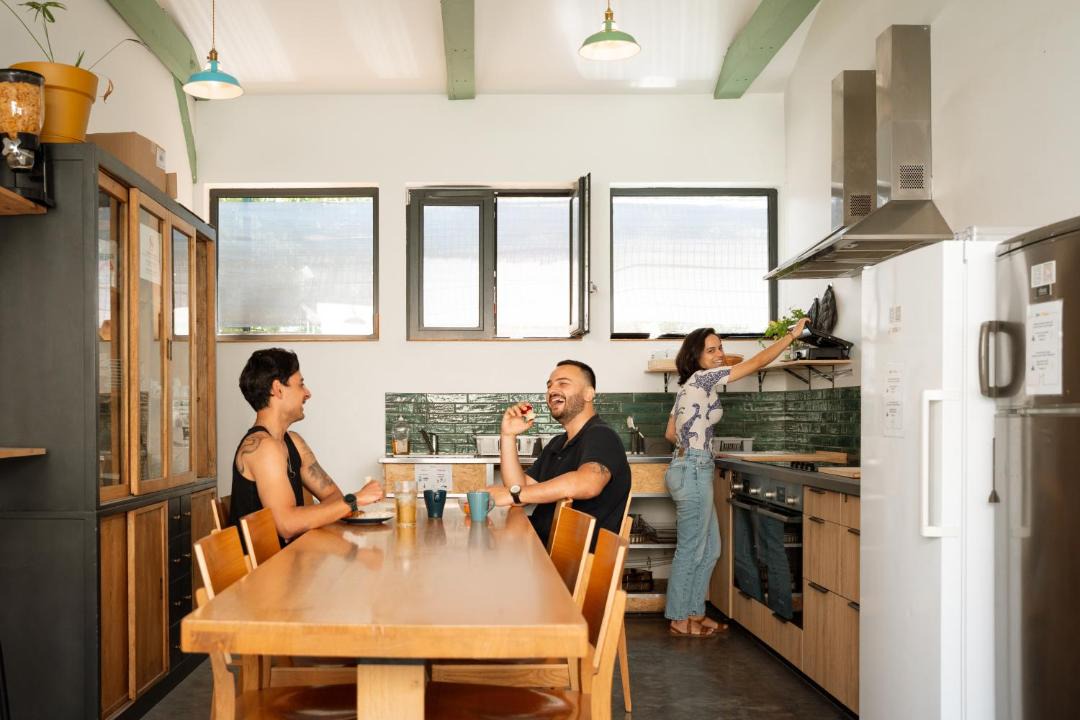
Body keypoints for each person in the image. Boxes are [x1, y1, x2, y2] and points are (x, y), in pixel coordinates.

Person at [662, 318, 810, 637]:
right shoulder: (703, 379)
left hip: (691, 466)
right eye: (711, 349)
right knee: (691, 548)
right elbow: (756, 363)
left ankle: (694, 612)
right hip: (693, 470)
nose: (719, 354)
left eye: (721, 348)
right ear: (696, 356)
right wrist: (791, 336)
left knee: (711, 547)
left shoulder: (689, 386)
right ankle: (678, 617)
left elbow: (670, 432)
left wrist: (697, 445)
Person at [229, 348, 383, 541]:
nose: (307, 393)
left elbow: (334, 496)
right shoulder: (263, 448)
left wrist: (336, 506)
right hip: (268, 569)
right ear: (277, 389)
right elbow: (287, 525)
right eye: (300, 384)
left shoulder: (293, 441)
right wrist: (354, 500)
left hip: (292, 559)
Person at [489, 359, 630, 549]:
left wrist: (514, 495)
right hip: (542, 549)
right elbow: (518, 488)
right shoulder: (559, 443)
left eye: (563, 383)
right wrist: (508, 435)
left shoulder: (601, 435)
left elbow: (589, 483)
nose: (552, 390)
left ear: (589, 393)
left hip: (570, 562)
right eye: (549, 385)